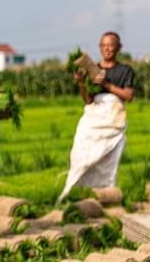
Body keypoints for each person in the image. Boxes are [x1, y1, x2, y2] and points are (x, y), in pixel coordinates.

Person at [58, 31, 135, 202]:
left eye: (111, 45)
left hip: (113, 120)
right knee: (80, 154)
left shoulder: (125, 71)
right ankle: (79, 194)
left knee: (107, 163)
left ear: (119, 48)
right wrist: (81, 83)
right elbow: (88, 100)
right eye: (103, 45)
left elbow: (128, 96)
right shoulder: (92, 70)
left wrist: (105, 84)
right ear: (100, 48)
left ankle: (106, 197)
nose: (107, 49)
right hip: (93, 120)